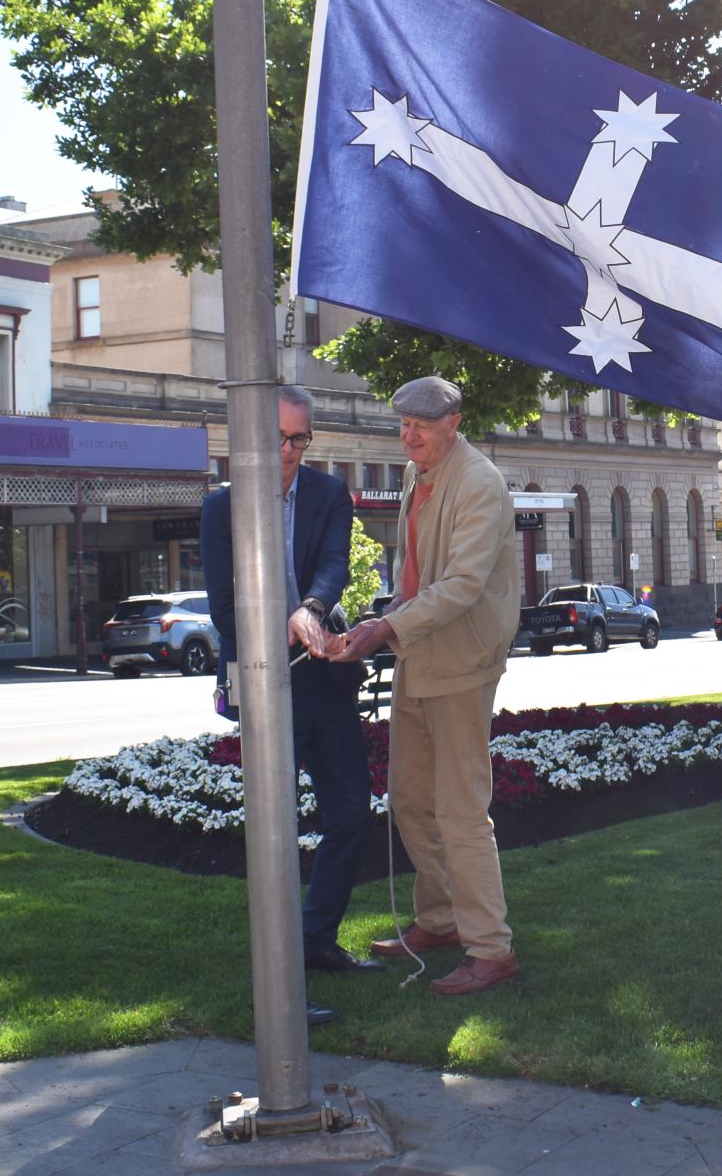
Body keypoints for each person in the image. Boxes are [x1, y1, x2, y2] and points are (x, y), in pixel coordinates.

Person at [331, 376, 523, 996]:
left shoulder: (480, 484)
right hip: (419, 653)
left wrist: (387, 625)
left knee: (461, 809)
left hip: (462, 663)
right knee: (410, 798)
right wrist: (386, 618)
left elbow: (464, 584)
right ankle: (439, 922)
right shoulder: (419, 475)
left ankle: (491, 949)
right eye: (403, 423)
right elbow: (416, 573)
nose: (409, 433)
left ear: (453, 422)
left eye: (422, 422)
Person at [201, 384, 381, 1028]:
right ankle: (279, 982)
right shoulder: (221, 509)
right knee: (273, 834)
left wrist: (308, 611)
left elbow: (334, 567)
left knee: (350, 813)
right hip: (262, 679)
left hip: (323, 678)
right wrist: (280, 628)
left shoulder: (329, 495)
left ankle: (314, 942)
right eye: (277, 437)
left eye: (299, 438)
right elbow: (224, 608)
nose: (287, 450)